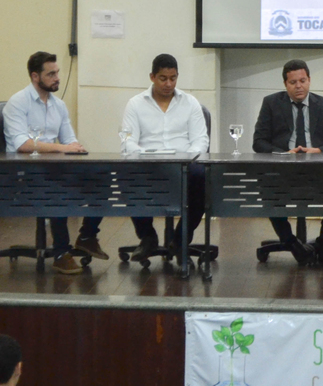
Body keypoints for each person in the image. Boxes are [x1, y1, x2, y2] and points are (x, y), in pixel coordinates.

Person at [2, 51, 107, 274]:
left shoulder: (58, 105)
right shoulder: (17, 103)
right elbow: (23, 144)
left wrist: (77, 150)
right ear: (35, 77)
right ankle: (61, 253)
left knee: (102, 177)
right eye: (51, 74)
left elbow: (69, 140)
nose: (57, 77)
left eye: (57, 72)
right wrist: (63, 148)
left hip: (54, 167)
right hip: (22, 173)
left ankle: (87, 235)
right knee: (56, 186)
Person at [252, 59, 323, 266]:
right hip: (283, 168)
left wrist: (318, 150)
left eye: (303, 81)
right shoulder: (271, 103)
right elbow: (258, 142)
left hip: (318, 168)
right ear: (285, 84)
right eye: (293, 82)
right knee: (266, 185)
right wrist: (285, 153)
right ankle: (292, 243)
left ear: (309, 80)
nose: (299, 86)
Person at [122, 54, 209, 264]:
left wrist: (186, 160)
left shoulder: (190, 103)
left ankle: (180, 240)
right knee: (125, 174)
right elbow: (128, 141)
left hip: (184, 167)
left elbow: (200, 141)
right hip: (148, 166)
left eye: (173, 78)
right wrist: (145, 157)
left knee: (202, 176)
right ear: (152, 77)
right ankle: (148, 237)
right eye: (163, 78)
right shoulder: (135, 104)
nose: (168, 84)